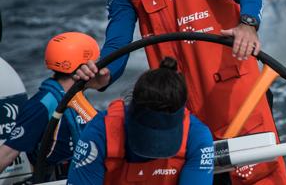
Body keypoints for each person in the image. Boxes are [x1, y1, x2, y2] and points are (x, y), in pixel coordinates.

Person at [73, 0, 286, 184]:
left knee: (260, 177)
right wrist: (105, 74)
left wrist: (247, 25)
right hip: (180, 107)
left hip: (237, 98)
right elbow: (118, 43)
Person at [67, 57, 215, 185]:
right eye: (147, 134)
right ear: (129, 112)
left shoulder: (197, 136)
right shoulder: (99, 132)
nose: (154, 148)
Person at [0, 32, 99, 177]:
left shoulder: (75, 96)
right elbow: (6, 154)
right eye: (94, 63)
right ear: (82, 67)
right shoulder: (42, 105)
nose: (97, 67)